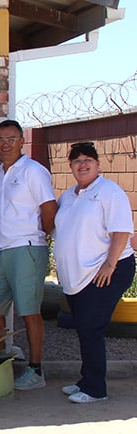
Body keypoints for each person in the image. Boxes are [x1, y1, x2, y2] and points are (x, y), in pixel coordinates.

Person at [0, 120, 57, 391]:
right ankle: (2, 361)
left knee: (29, 312)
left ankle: (36, 371)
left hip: (27, 249)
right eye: (1, 139)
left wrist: (41, 236)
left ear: (22, 141)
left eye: (11, 138)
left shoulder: (34, 172)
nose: (5, 144)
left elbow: (48, 208)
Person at [53, 142, 135, 404]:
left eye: (88, 159)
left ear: (98, 164)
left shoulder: (110, 192)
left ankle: (96, 389)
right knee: (84, 328)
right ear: (71, 167)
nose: (83, 164)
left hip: (107, 270)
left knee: (91, 328)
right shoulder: (68, 196)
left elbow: (122, 231)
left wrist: (109, 264)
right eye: (77, 160)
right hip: (80, 277)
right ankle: (85, 380)